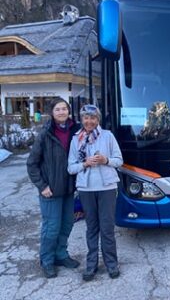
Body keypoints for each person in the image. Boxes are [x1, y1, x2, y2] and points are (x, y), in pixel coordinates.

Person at [26, 98, 81, 279]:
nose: (62, 112)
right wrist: (42, 186)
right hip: (50, 190)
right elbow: (32, 164)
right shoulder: (45, 134)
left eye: (64, 108)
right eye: (58, 109)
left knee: (67, 224)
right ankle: (47, 260)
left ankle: (61, 255)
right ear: (52, 112)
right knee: (51, 227)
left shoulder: (76, 130)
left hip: (68, 189)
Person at [68, 104, 123, 281]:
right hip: (86, 189)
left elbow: (119, 160)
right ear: (81, 119)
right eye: (86, 118)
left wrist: (105, 160)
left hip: (107, 188)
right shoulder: (76, 139)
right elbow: (70, 168)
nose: (89, 121)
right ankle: (91, 264)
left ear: (98, 119)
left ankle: (111, 264)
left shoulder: (107, 136)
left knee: (107, 228)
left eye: (93, 118)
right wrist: (85, 163)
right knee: (91, 228)